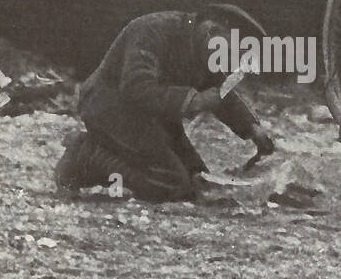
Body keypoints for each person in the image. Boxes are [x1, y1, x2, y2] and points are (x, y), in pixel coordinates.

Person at [55, 11, 275, 202]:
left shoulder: (205, 46)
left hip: (150, 115)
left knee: (196, 180)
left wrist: (252, 128)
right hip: (109, 107)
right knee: (172, 183)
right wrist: (194, 100)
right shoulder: (153, 30)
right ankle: (84, 156)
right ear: (212, 31)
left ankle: (103, 155)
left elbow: (220, 91)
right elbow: (136, 86)